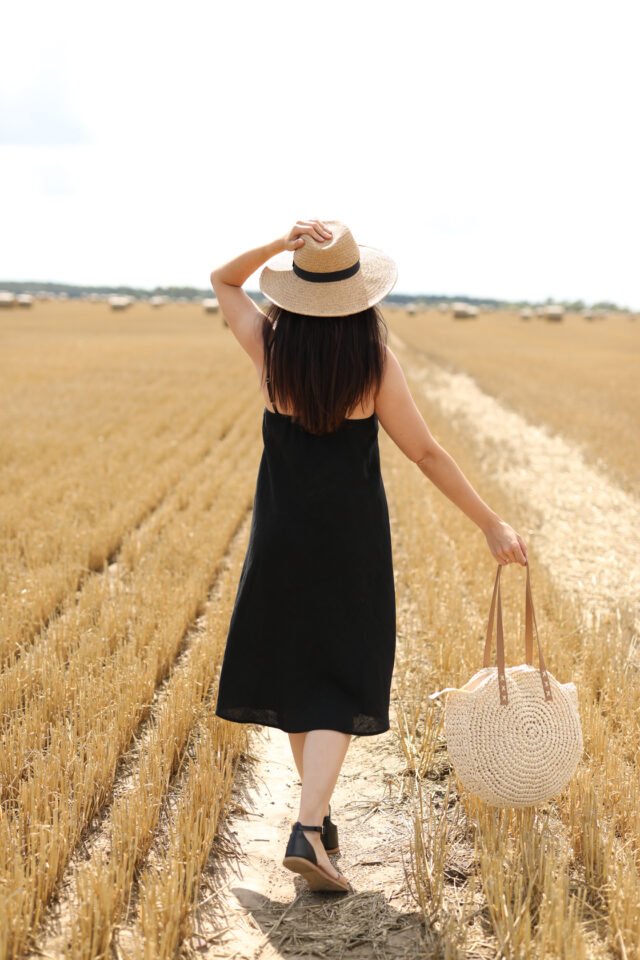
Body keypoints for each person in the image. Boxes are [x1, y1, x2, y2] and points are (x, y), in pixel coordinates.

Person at [210, 219, 527, 894]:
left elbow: (223, 280)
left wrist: (275, 247)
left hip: (280, 537)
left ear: (298, 292)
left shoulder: (271, 350)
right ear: (358, 294)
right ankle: (308, 823)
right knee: (341, 675)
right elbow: (427, 452)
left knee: (300, 675)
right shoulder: (372, 362)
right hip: (349, 542)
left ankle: (318, 828)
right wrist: (490, 523)